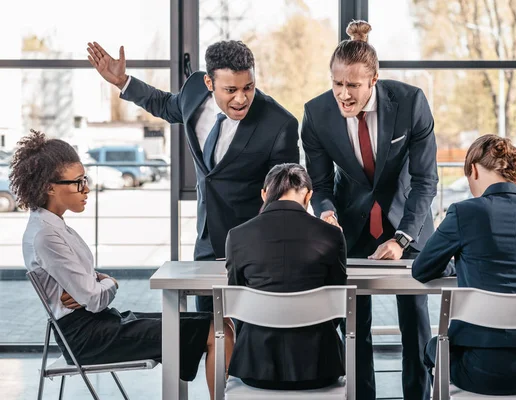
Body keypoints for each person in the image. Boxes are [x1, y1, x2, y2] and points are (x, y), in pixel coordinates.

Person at [12, 130, 234, 399]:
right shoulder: (46, 234)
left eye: (86, 180)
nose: (86, 188)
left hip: (101, 324)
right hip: (89, 336)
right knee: (215, 330)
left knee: (220, 323)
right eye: (78, 183)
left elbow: (88, 292)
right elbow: (94, 299)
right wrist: (109, 281)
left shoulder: (51, 225)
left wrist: (92, 285)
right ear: (49, 187)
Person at [87, 40, 299, 312]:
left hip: (255, 248)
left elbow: (285, 198)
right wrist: (123, 81)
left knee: (249, 335)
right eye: (230, 90)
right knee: (209, 330)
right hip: (207, 242)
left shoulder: (279, 124)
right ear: (210, 84)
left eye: (248, 87)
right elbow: (165, 104)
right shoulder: (195, 90)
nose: (241, 98)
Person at [301, 20, 438, 400]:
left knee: (415, 320)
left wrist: (402, 237)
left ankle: (418, 396)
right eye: (336, 83)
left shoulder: (411, 104)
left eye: (353, 86)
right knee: (354, 323)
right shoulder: (316, 115)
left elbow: (426, 181)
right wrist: (325, 214)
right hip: (351, 225)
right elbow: (322, 185)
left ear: (373, 80)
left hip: (407, 221)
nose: (343, 95)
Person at [412, 134, 516, 395]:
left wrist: (456, 266)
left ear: (473, 170)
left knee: (432, 347)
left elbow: (422, 269)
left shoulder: (464, 212)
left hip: (482, 369)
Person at [225, 163, 347, 390]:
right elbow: (337, 301)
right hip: (320, 366)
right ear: (309, 196)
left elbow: (237, 297)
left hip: (255, 366)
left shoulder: (237, 236)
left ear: (264, 194)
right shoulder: (332, 236)